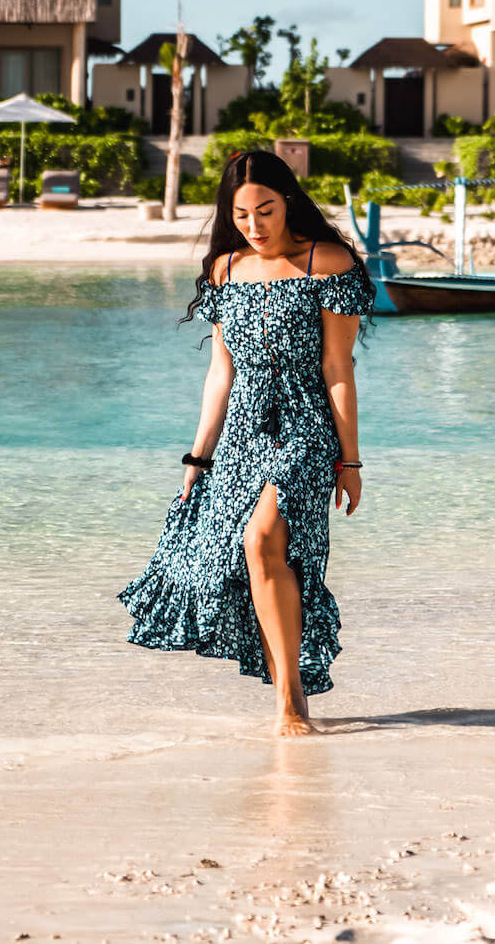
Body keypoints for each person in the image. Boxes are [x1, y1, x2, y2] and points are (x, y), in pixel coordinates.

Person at [118, 149, 375, 736]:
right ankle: (289, 689)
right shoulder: (225, 272)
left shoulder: (327, 264)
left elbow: (338, 367)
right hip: (242, 432)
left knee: (263, 540)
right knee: (249, 557)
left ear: (288, 204)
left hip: (306, 426)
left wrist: (351, 459)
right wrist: (197, 455)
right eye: (241, 215)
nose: (255, 226)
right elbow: (220, 374)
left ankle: (291, 701)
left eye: (266, 210)